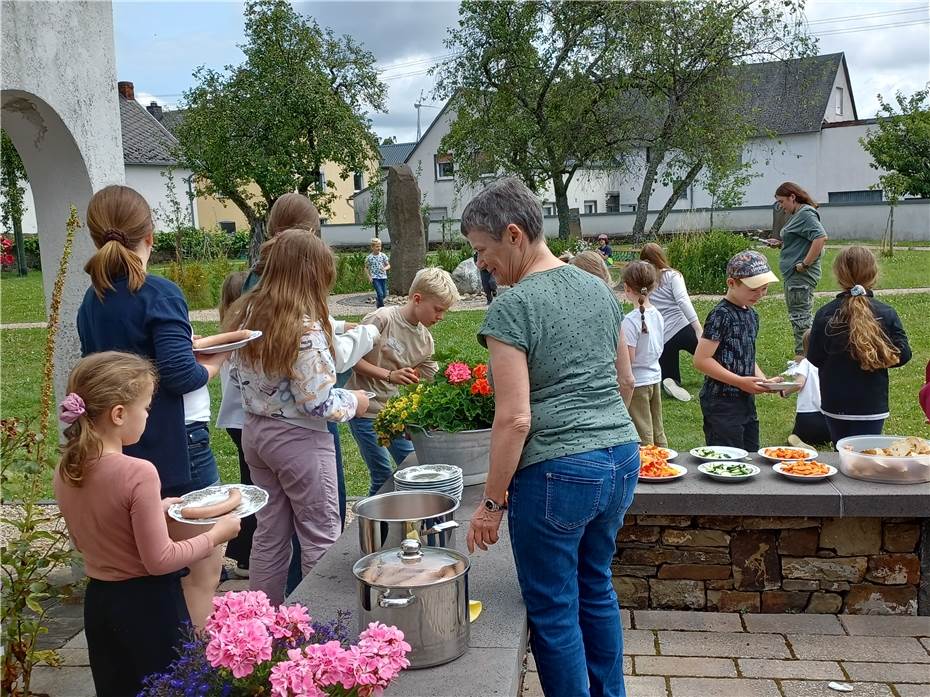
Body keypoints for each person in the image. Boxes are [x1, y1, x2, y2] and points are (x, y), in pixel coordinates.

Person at [463, 178, 640, 697]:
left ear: (513, 234)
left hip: (558, 472)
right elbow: (625, 382)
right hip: (621, 459)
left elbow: (515, 419)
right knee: (597, 587)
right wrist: (601, 437)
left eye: (482, 250)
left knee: (554, 608)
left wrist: (490, 503)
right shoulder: (598, 290)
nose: (481, 263)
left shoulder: (512, 308)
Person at [76, 184, 227, 627]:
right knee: (201, 567)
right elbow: (181, 376)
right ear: (151, 237)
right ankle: (190, 672)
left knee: (142, 565)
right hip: (174, 446)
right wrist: (215, 362)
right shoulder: (158, 291)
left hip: (117, 449)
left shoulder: (93, 299)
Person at [54, 352, 239, 697]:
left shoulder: (68, 467)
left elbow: (91, 534)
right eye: (146, 409)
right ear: (119, 414)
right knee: (168, 688)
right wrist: (217, 535)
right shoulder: (138, 472)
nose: (148, 417)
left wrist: (157, 507)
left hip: (101, 604)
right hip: (149, 606)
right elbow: (161, 560)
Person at [224, 230, 369, 605]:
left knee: (270, 533)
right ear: (311, 275)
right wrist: (355, 401)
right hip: (299, 441)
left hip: (256, 434)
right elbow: (316, 402)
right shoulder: (304, 328)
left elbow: (238, 377)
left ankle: (260, 622)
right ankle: (321, 631)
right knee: (320, 536)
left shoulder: (249, 314)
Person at [347, 267, 459, 496]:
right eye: (437, 309)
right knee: (382, 475)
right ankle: (377, 530)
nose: (440, 317)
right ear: (417, 299)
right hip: (365, 411)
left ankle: (406, 523)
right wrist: (389, 375)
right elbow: (350, 360)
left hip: (394, 415)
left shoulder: (425, 340)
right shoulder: (382, 319)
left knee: (413, 468)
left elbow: (435, 378)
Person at [807, 246, 911, 446]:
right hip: (871, 405)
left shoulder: (825, 314)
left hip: (835, 403)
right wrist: (875, 357)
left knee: (842, 455)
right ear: (874, 274)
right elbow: (903, 355)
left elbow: (814, 357)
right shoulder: (886, 313)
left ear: (838, 274)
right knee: (867, 458)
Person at [693, 250, 780, 451]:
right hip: (721, 402)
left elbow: (746, 354)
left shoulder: (752, 315)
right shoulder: (720, 315)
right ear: (731, 283)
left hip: (745, 400)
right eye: (753, 289)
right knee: (727, 456)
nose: (760, 294)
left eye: (764, 288)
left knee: (751, 453)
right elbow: (701, 360)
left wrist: (763, 380)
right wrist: (740, 382)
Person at [215, 270, 253, 578]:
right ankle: (245, 554)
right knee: (255, 487)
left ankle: (244, 553)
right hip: (244, 417)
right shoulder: (243, 336)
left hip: (236, 419)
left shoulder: (225, 331)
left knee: (250, 481)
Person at [767, 182, 829, 360]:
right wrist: (780, 243)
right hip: (793, 275)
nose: (780, 206)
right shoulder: (797, 215)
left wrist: (805, 264)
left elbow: (820, 237)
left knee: (800, 318)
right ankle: (806, 357)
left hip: (800, 276)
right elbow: (802, 240)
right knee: (799, 316)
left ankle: (803, 359)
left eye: (781, 201)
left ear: (792, 197)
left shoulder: (806, 213)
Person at [639, 242, 702, 402]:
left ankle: (672, 381)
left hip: (663, 337)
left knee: (669, 376)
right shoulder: (672, 275)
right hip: (683, 327)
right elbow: (682, 300)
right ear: (661, 256)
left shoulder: (645, 281)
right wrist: (697, 327)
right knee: (712, 357)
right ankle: (725, 374)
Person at [621, 261, 667, 447]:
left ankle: (649, 467)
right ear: (653, 286)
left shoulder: (630, 321)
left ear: (626, 288)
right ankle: (663, 459)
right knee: (657, 428)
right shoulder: (657, 314)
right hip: (654, 377)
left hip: (638, 382)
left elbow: (629, 359)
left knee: (642, 431)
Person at [779, 330, 831, 447]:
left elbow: (799, 384)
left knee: (795, 436)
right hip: (829, 421)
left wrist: (785, 392)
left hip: (808, 418)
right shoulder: (831, 364)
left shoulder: (806, 363)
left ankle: (801, 442)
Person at [366, 237, 391, 308]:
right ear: (372, 247)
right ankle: (381, 308)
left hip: (383, 277)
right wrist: (369, 277)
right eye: (377, 246)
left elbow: (388, 265)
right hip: (375, 278)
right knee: (380, 293)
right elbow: (366, 268)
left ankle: (378, 301)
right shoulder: (369, 258)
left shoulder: (383, 256)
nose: (379, 248)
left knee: (384, 294)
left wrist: (385, 268)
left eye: (380, 246)